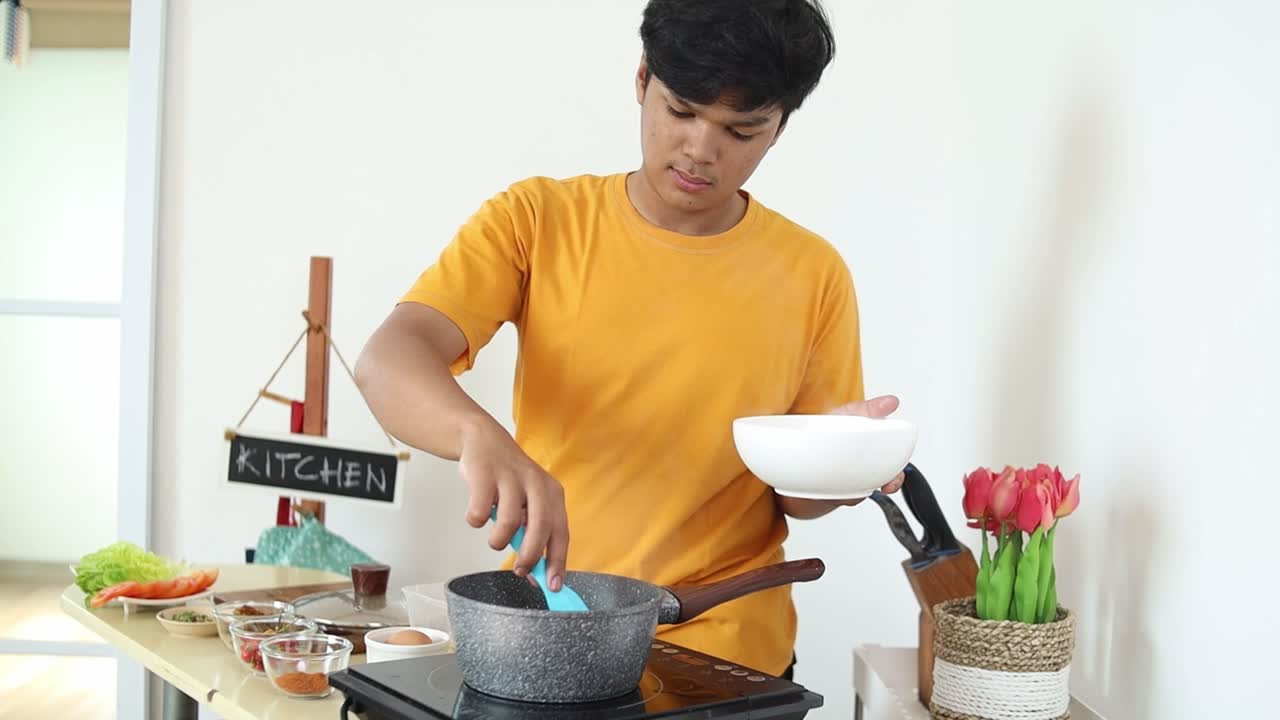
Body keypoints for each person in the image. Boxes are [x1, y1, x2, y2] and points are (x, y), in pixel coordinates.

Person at [354, 0, 906, 680]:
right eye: (681, 111)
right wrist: (477, 434)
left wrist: (841, 461)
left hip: (727, 661)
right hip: (554, 639)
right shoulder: (537, 221)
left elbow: (799, 500)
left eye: (741, 129)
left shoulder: (812, 272)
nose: (701, 149)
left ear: (780, 128)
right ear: (642, 79)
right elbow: (388, 358)